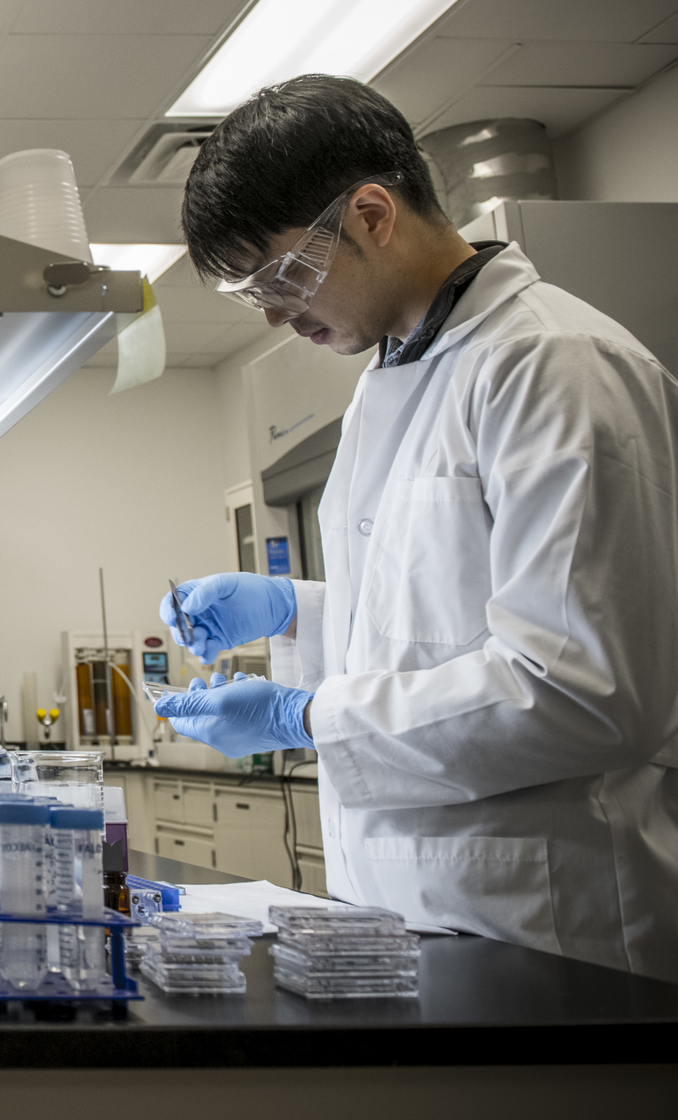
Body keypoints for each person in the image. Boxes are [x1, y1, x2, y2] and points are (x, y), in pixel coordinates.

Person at [153, 76, 678, 982]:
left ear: (370, 214)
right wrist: (294, 611)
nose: (276, 315)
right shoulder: (390, 380)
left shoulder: (552, 366)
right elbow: (437, 613)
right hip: (418, 918)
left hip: (551, 923)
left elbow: (582, 687)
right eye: (253, 297)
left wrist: (303, 715)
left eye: (281, 276)